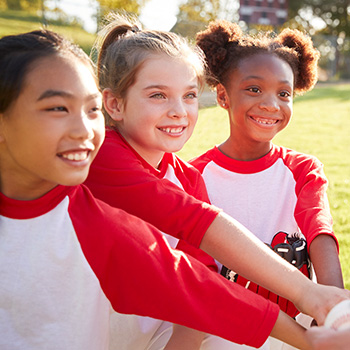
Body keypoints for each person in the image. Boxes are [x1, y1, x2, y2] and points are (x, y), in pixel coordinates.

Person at [1, 28, 348, 350]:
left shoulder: (178, 180)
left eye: (190, 96)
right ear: (116, 105)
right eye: (58, 108)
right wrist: (307, 297)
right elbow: (192, 233)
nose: (83, 129)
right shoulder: (103, 160)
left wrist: (310, 325)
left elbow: (194, 281)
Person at [189, 19, 344, 350]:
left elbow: (319, 231)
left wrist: (336, 310)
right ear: (222, 96)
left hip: (298, 339)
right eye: (254, 89)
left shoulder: (301, 169)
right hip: (223, 339)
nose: (271, 104)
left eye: (283, 93)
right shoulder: (194, 176)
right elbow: (195, 272)